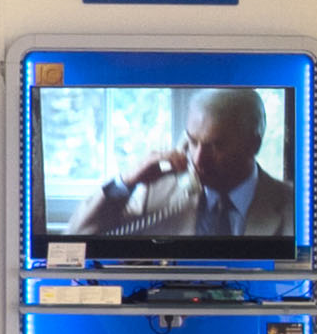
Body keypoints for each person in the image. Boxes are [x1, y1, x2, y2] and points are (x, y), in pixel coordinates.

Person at [72, 87, 291, 241]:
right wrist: (125, 182)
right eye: (193, 142)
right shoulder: (157, 194)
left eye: (216, 146)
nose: (198, 159)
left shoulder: (293, 206)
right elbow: (75, 240)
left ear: (253, 144)